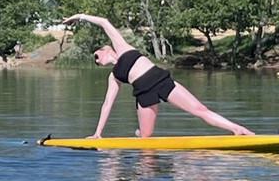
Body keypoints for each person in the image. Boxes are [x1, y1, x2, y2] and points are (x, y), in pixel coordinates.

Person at [63, 14, 255, 139]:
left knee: (200, 109)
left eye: (96, 56)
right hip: (144, 93)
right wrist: (97, 133)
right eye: (94, 61)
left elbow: (104, 22)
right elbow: (107, 104)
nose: (96, 61)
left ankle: (237, 129)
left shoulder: (123, 48)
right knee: (146, 137)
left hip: (161, 80)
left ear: (106, 49)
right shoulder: (114, 77)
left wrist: (80, 17)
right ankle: (141, 138)